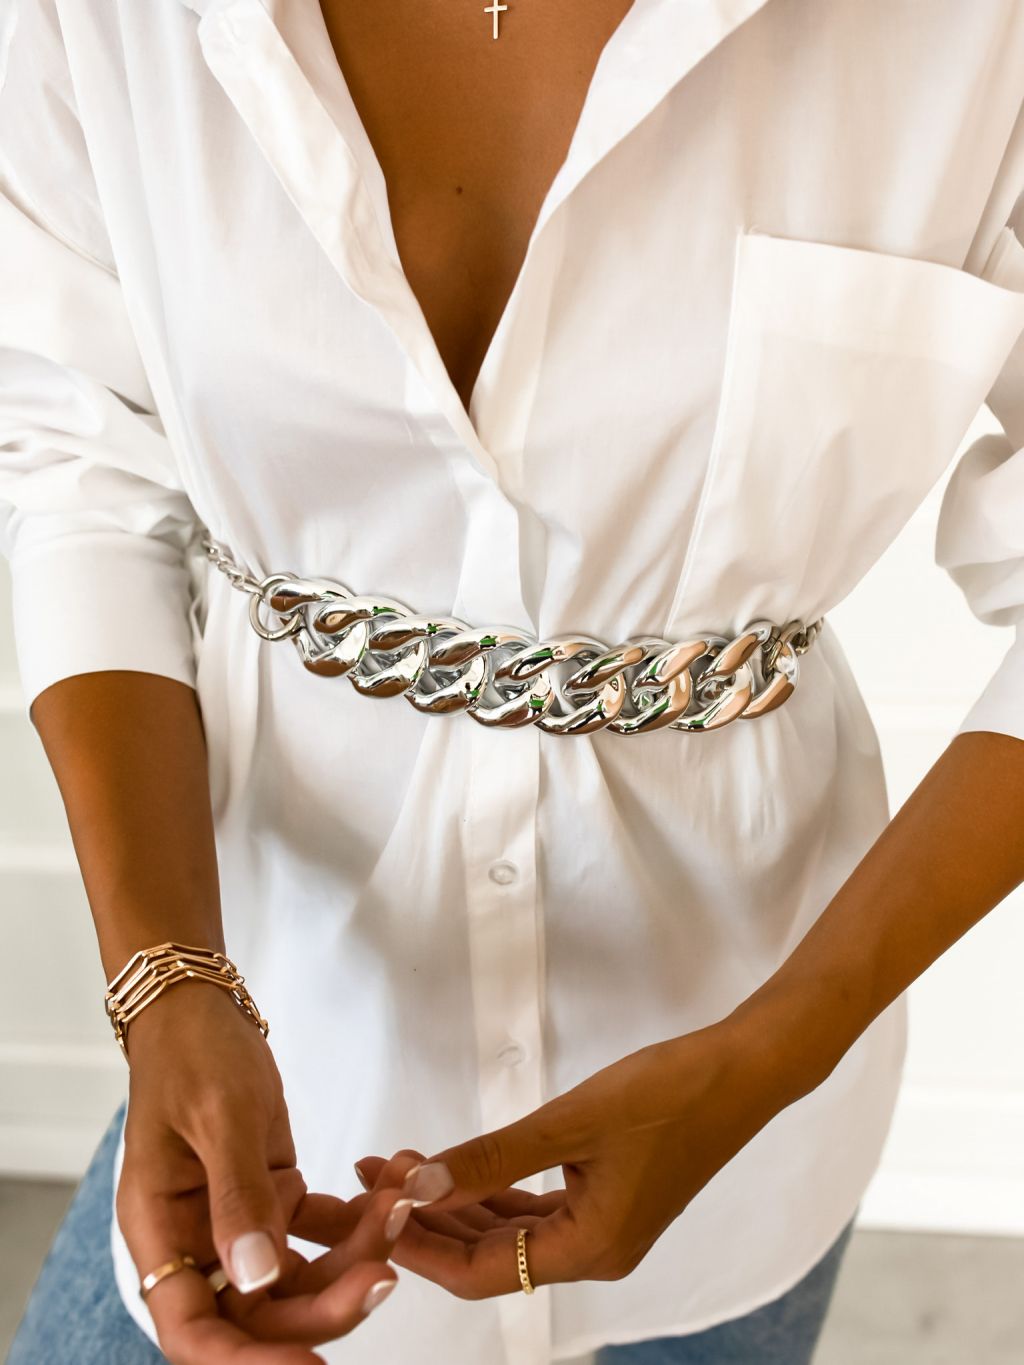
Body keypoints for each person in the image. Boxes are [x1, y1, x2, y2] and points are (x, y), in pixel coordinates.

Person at [3, 1, 1024, 1362]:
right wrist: (162, 975)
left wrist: (779, 1046)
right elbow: (82, 465)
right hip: (280, 1065)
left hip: (741, 1145)